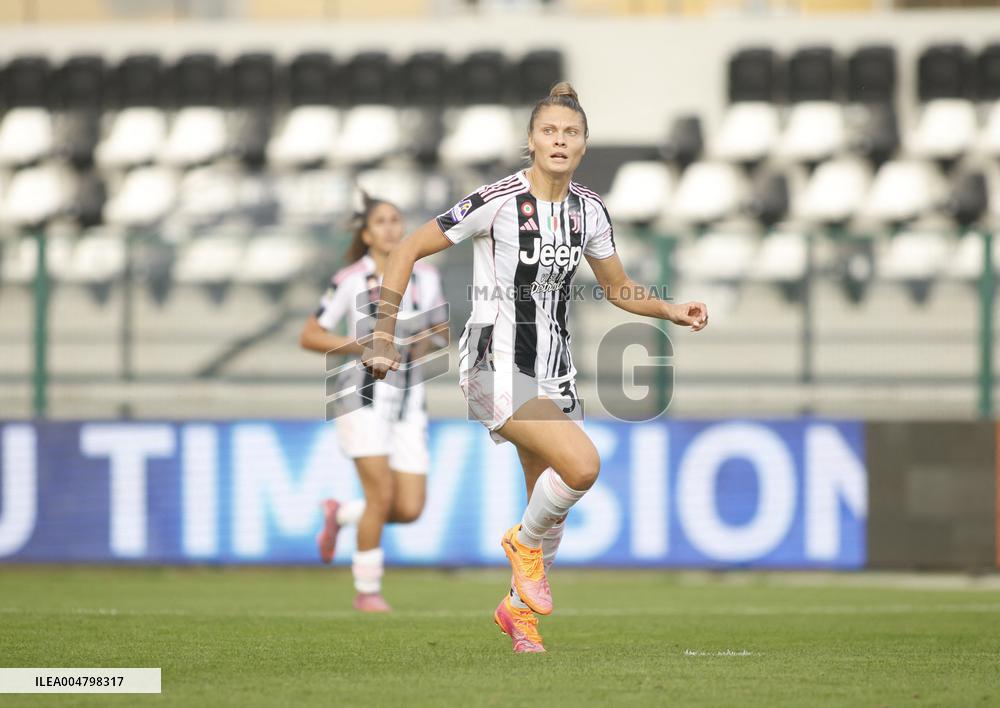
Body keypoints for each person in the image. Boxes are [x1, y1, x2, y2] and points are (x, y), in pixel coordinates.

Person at [363, 83, 708, 650]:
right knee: (581, 466)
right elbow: (405, 251)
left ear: (584, 145)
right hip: (493, 362)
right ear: (531, 140)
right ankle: (520, 548)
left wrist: (668, 307)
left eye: (570, 133)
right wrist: (381, 334)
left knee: (546, 512)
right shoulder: (496, 201)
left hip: (554, 370)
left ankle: (518, 616)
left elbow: (618, 289)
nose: (559, 140)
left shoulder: (589, 211)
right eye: (549, 131)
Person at [300, 191, 448, 613]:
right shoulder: (350, 279)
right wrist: (363, 344)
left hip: (409, 401)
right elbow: (310, 334)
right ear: (365, 234)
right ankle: (367, 591)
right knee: (381, 494)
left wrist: (425, 341)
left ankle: (342, 514)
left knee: (410, 507)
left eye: (396, 220)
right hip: (359, 397)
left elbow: (441, 331)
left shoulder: (426, 276)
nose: (390, 228)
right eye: (380, 221)